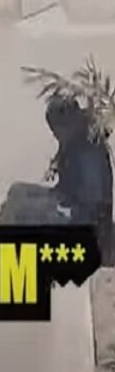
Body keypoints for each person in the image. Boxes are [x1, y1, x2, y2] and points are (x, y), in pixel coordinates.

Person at [46, 95, 114, 265]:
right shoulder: (75, 145)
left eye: (57, 130)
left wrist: (59, 211)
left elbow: (93, 202)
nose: (56, 135)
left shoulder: (87, 152)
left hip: (91, 231)